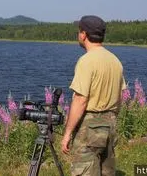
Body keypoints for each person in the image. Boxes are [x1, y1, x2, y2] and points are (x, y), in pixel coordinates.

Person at [61, 15, 127, 176]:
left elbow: (80, 100)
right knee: (107, 172)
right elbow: (119, 96)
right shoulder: (115, 61)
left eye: (79, 32)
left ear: (84, 34)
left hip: (90, 127)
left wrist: (67, 133)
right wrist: (110, 118)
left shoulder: (86, 61)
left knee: (85, 170)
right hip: (110, 124)